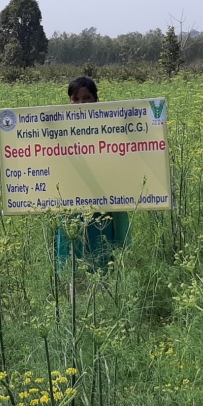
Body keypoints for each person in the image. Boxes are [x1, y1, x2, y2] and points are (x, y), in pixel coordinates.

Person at [55, 77, 131, 271]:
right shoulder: (60, 128)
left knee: (103, 240)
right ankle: (73, 283)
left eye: (87, 97)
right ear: (69, 102)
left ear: (96, 99)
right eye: (76, 99)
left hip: (103, 196)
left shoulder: (110, 125)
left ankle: (105, 281)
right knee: (72, 241)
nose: (82, 103)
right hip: (72, 197)